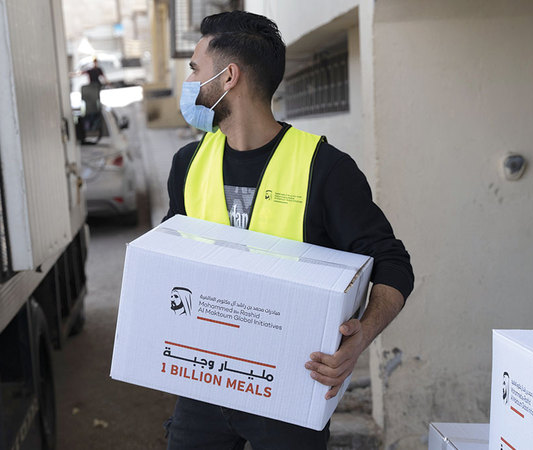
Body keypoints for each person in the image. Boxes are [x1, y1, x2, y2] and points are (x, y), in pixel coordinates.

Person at [162, 10, 413, 449]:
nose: (190, 82)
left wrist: (360, 340)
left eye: (196, 70)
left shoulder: (325, 168)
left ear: (228, 77)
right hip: (204, 381)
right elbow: (169, 256)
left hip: (289, 387)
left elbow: (393, 263)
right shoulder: (188, 163)